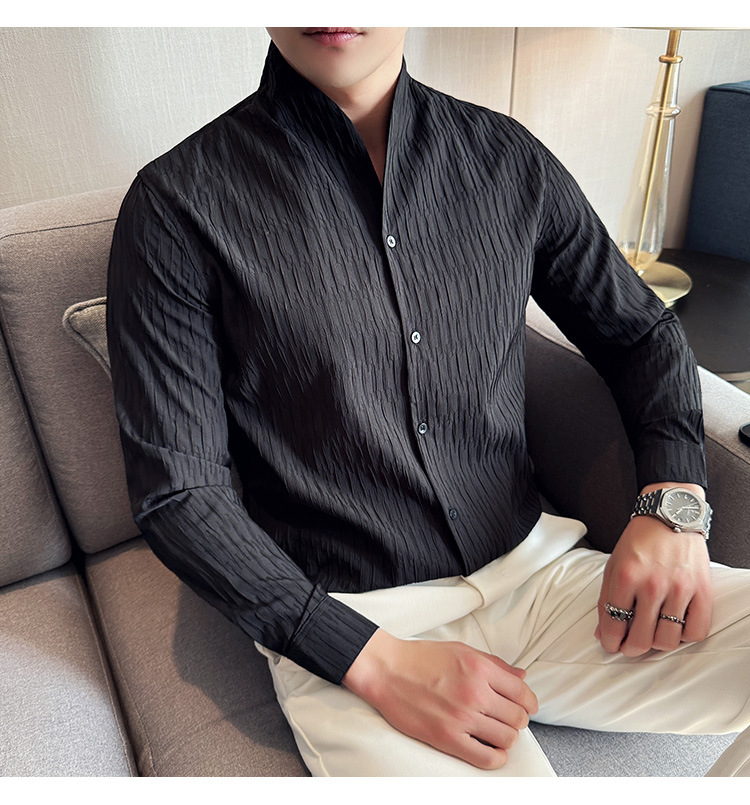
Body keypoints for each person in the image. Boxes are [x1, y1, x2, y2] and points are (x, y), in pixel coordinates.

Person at [106, 27, 750, 776]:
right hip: (356, 620)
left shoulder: (508, 158)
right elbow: (181, 494)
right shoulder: (175, 204)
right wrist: (370, 660)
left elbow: (640, 333)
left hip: (544, 578)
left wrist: (674, 501)